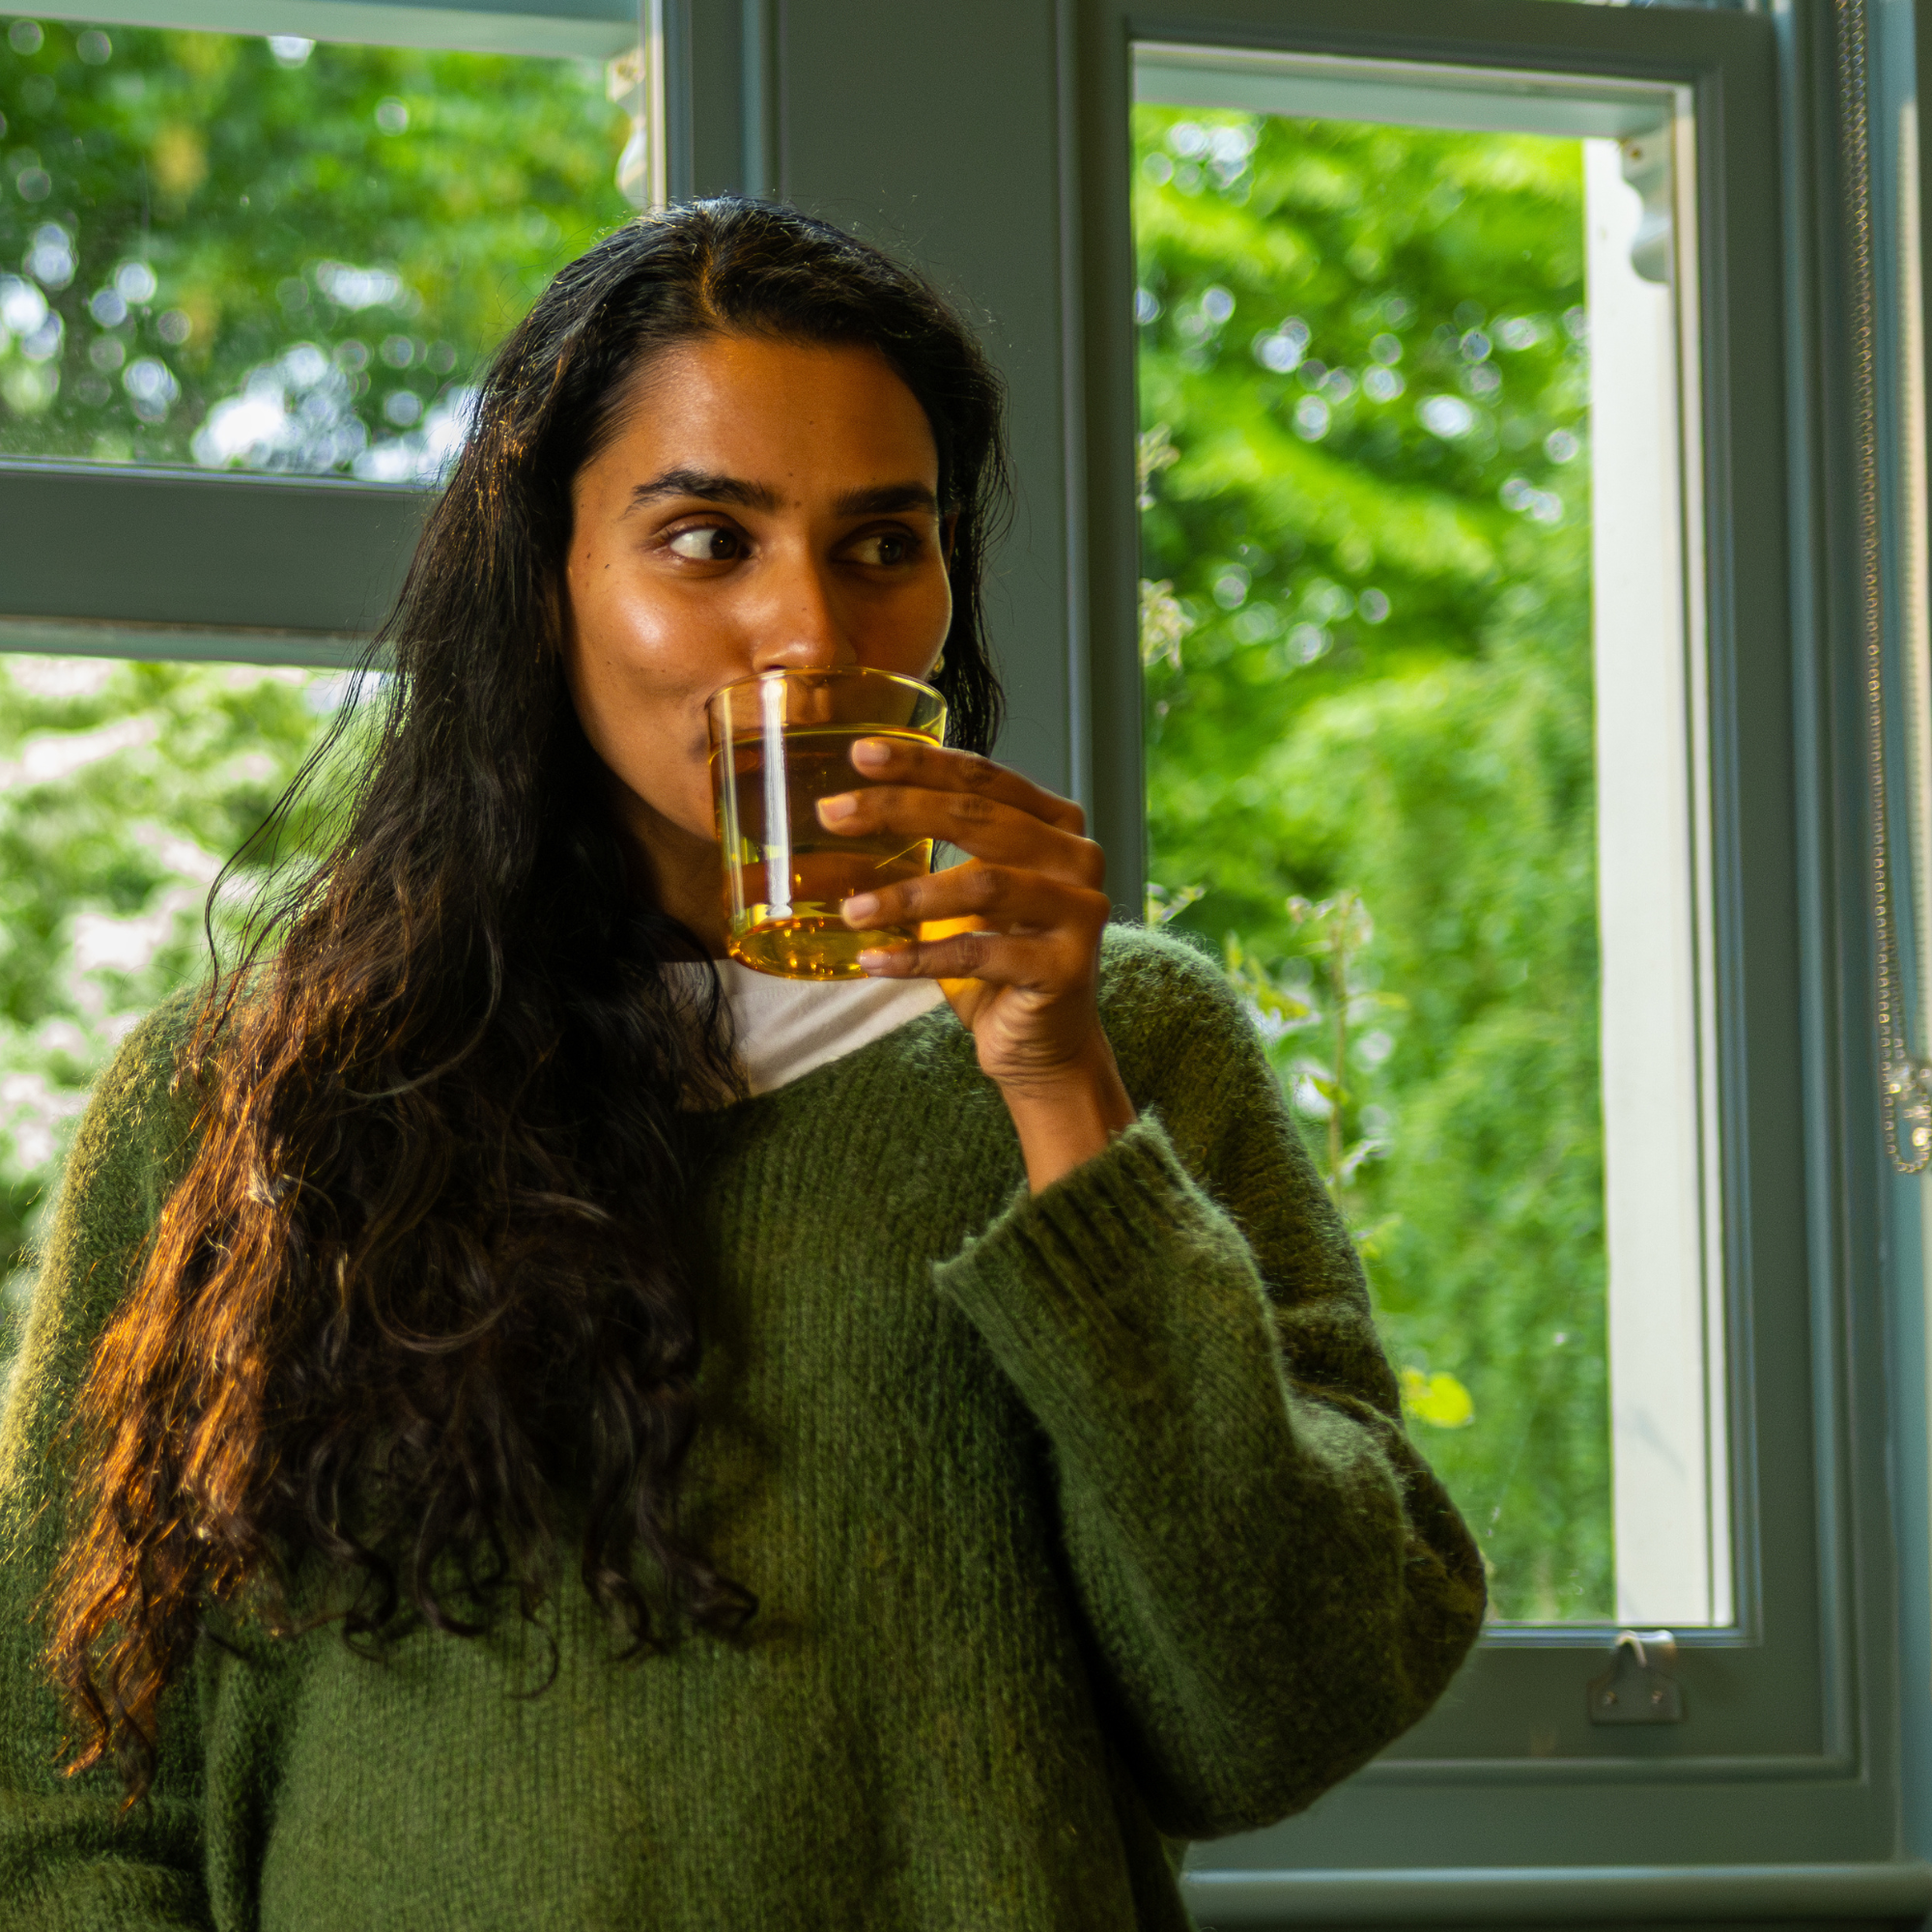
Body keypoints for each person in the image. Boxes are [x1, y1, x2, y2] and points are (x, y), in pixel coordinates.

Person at [0, 199, 1484, 1930]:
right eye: (706, 541)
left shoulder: (1126, 1039)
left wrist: (1057, 1089)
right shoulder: (240, 1098)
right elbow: (66, 1803)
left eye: (880, 546)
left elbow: (1279, 1713)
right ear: (542, 579)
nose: (810, 636)